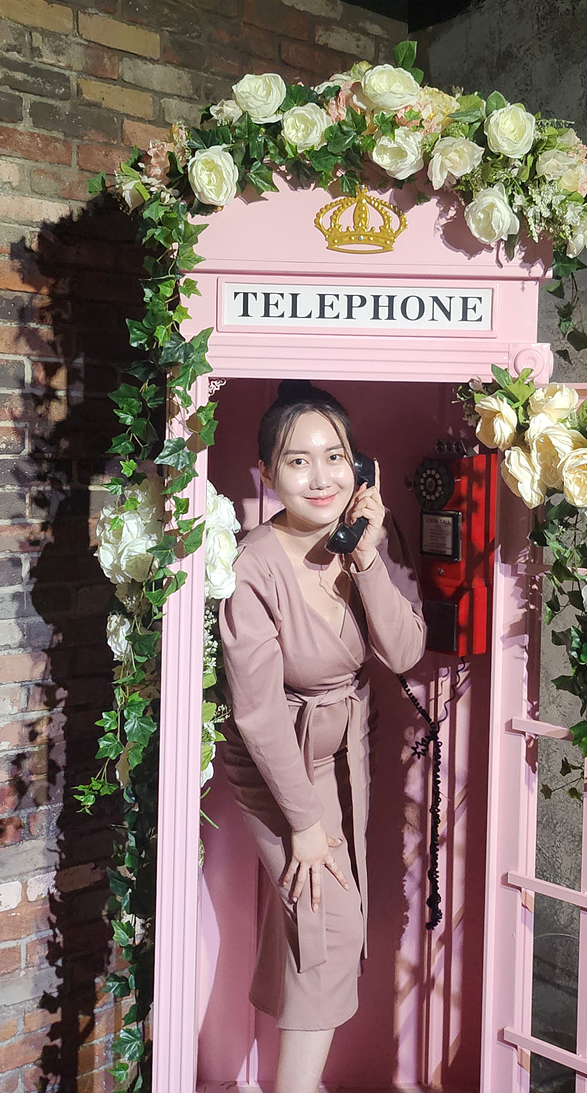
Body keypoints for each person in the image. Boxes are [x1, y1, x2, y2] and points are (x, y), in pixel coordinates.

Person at [218, 381, 427, 1093]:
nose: (321, 477)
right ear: (267, 473)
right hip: (277, 760)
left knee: (325, 926)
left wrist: (365, 557)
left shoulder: (358, 546)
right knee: (325, 926)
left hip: (343, 758)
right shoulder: (253, 566)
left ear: (359, 468)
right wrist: (304, 826)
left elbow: (404, 652)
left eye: (335, 458)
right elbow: (257, 713)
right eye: (297, 460)